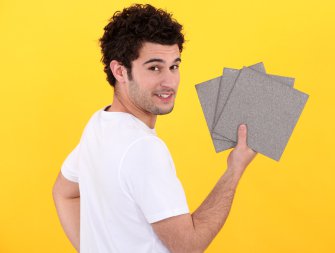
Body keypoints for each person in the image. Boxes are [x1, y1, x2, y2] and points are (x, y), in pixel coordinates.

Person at [52, 4, 257, 253]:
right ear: (120, 71)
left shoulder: (99, 124)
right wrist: (234, 169)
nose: (170, 82)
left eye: (174, 66)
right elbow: (188, 246)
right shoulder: (143, 149)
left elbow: (64, 192)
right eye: (154, 67)